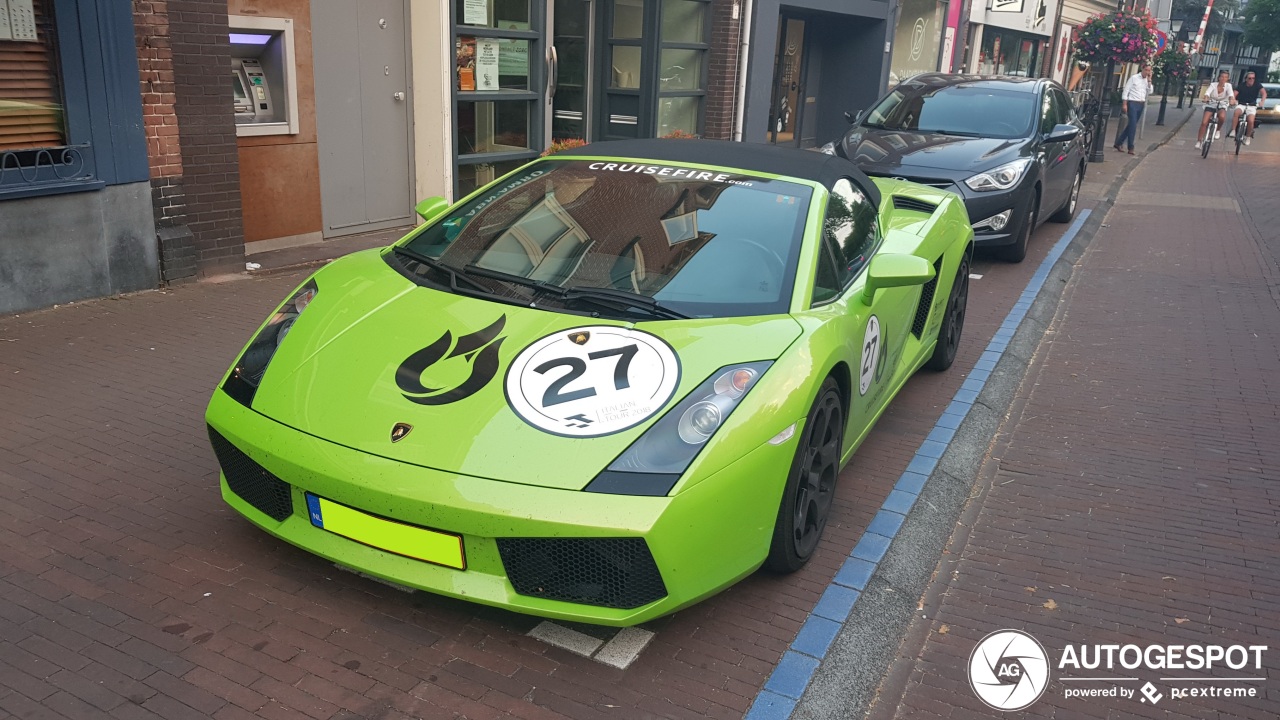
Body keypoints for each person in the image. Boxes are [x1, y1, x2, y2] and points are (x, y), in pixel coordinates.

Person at [1114, 65, 1154, 155]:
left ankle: (1119, 143)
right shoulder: (1134, 78)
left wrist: (1149, 81)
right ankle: (1131, 147)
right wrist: (1124, 103)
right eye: (1146, 70)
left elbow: (1150, 91)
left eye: (1149, 71)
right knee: (1133, 124)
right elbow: (1126, 90)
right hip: (1132, 102)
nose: (1147, 72)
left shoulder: (1147, 80)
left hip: (1141, 103)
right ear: (1142, 69)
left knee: (1132, 125)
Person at [1195, 70, 1235, 150]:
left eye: (1225, 77)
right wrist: (1206, 98)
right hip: (1212, 103)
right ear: (1219, 78)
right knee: (1204, 122)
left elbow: (1231, 95)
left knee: (1222, 117)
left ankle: (1218, 130)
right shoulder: (1213, 85)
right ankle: (1199, 141)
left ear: (1228, 79)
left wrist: (1231, 100)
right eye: (1222, 77)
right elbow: (1207, 93)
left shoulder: (1228, 86)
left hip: (1222, 104)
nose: (1223, 79)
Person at [1229, 72, 1267, 146]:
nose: (1251, 80)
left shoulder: (1257, 85)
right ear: (1246, 79)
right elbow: (1234, 94)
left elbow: (1264, 93)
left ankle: (1248, 137)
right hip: (1242, 104)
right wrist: (1233, 100)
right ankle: (1233, 130)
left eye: (1253, 78)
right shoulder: (1241, 85)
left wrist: (1262, 101)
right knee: (1236, 113)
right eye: (1249, 78)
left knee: (1251, 120)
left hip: (1252, 106)